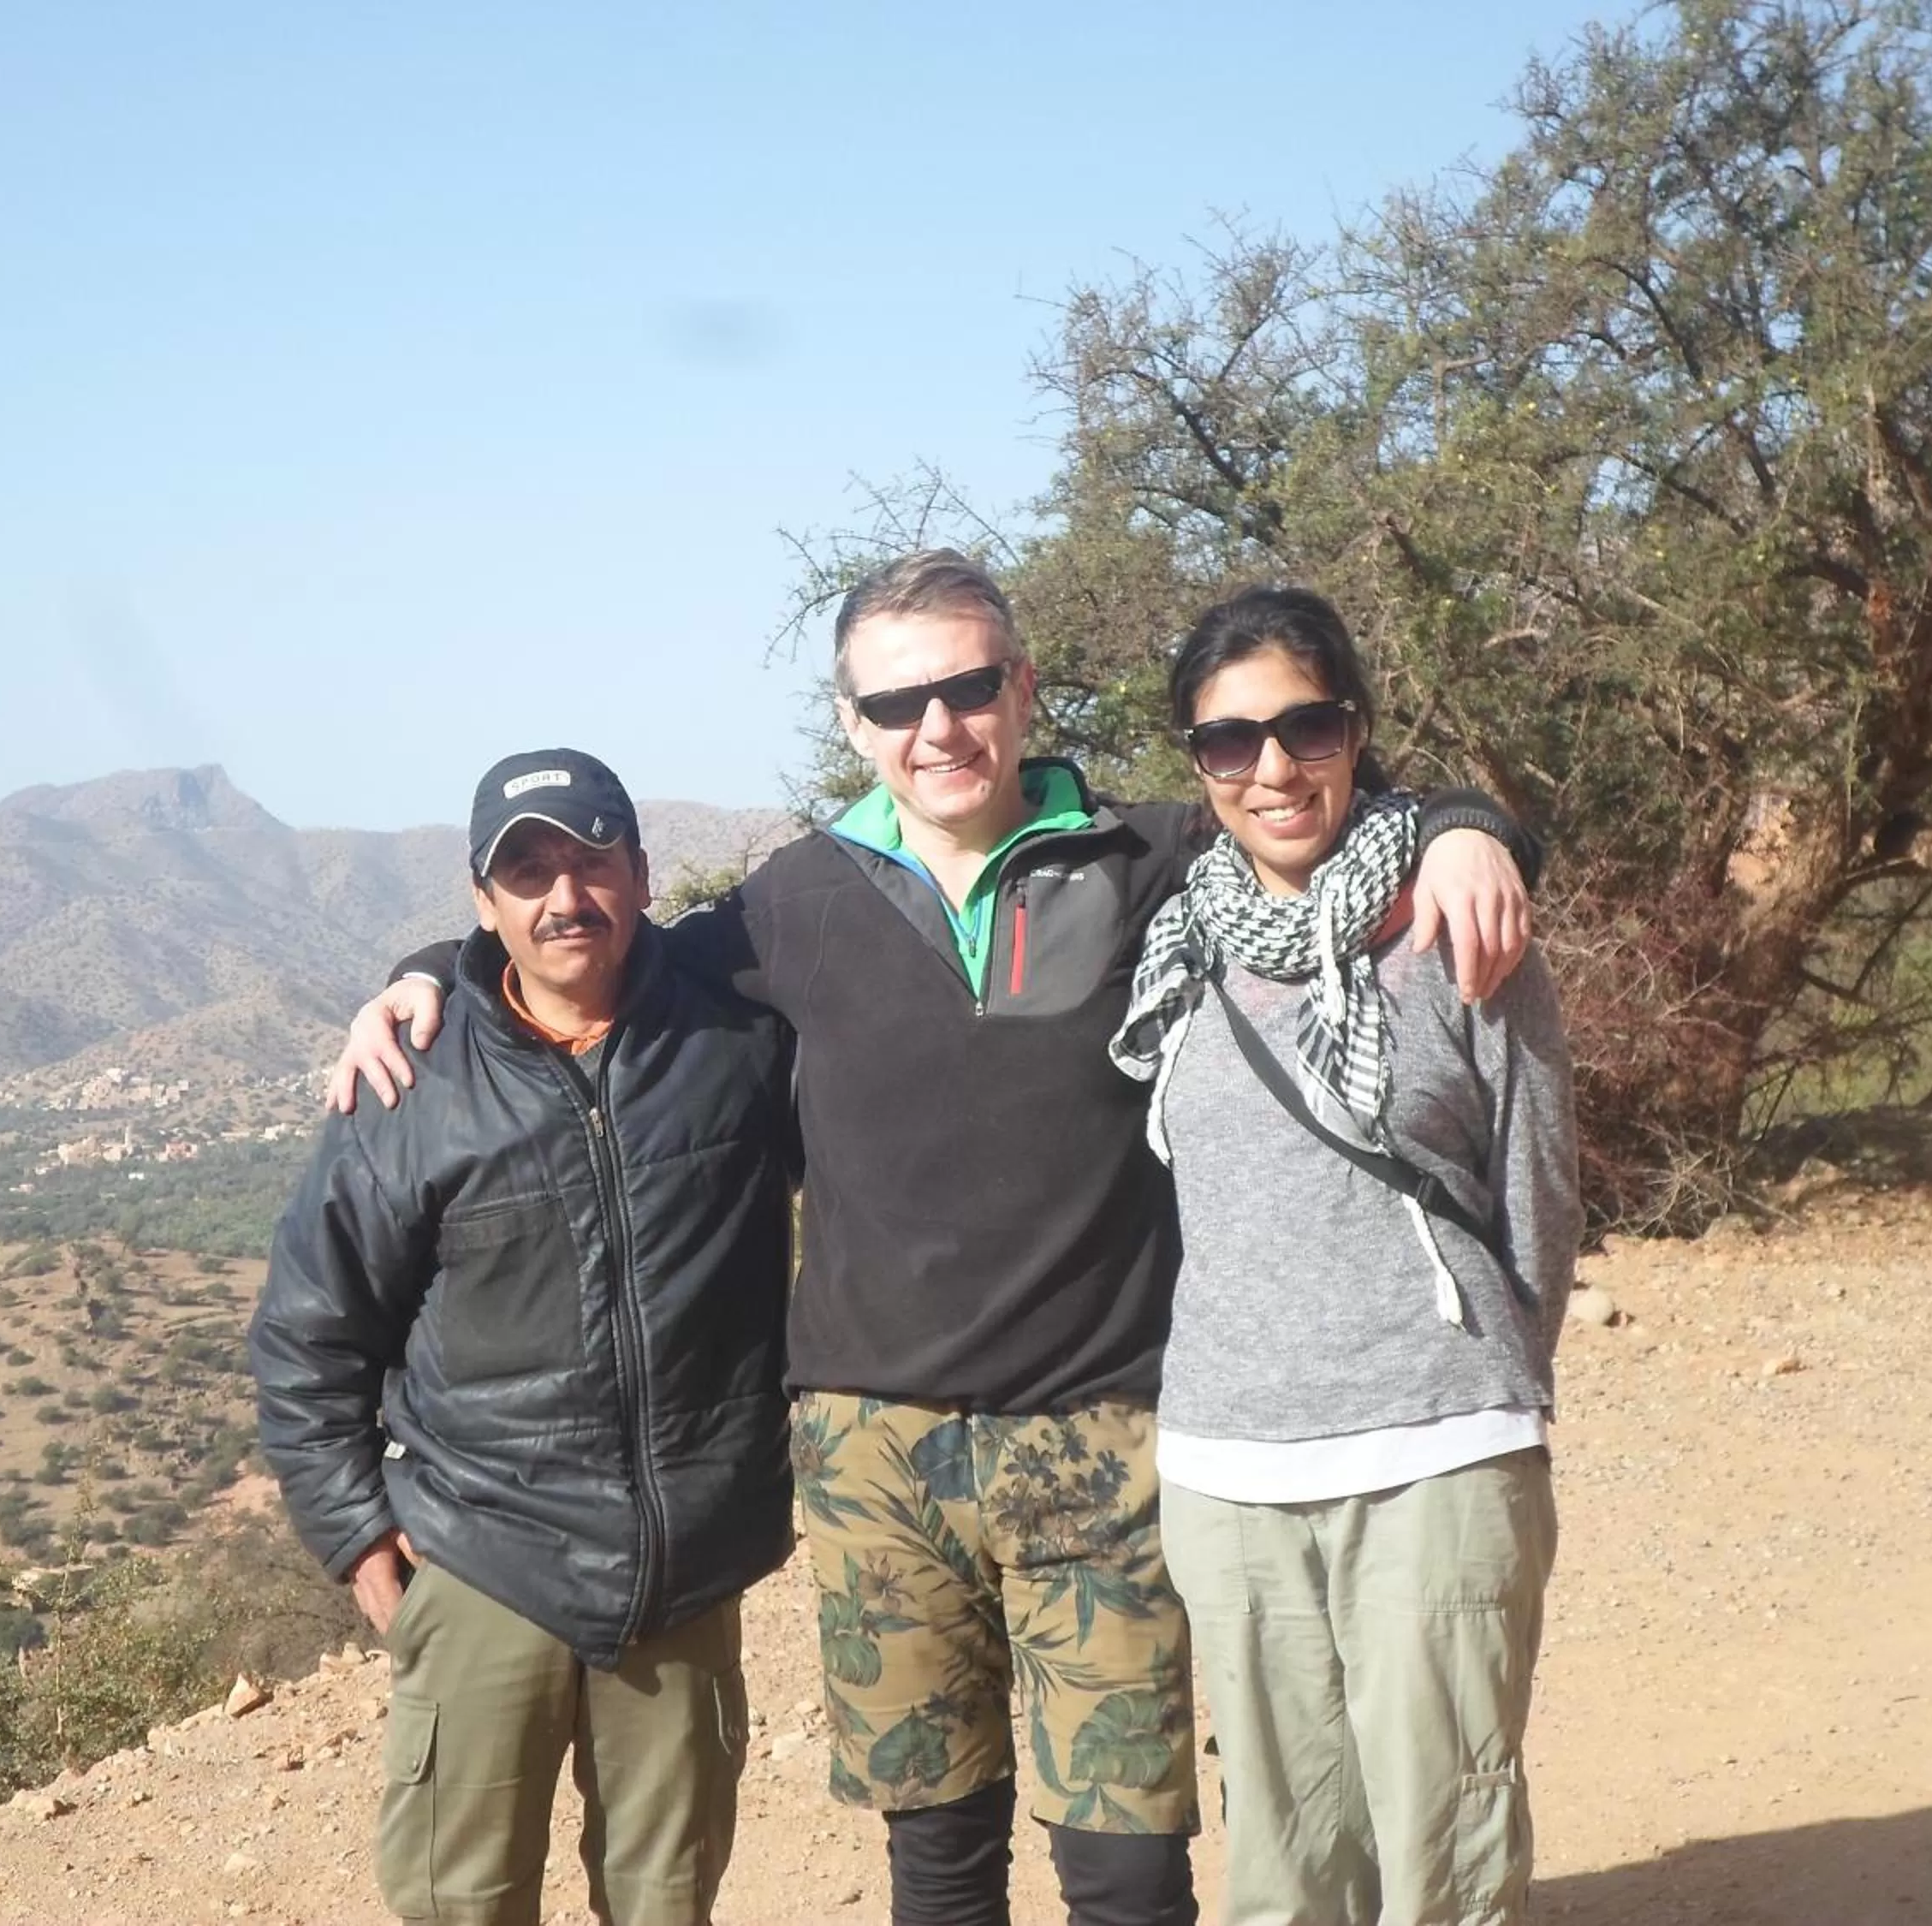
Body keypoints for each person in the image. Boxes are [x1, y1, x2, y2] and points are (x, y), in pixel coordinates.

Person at [331, 551, 1540, 1926]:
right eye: (898, 703)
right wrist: (420, 977)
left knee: (1131, 1863)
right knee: (940, 1852)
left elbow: (1317, 811)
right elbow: (588, 950)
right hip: (874, 1448)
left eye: (969, 687)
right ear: (853, 725)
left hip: (1109, 1430)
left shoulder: (1151, 857)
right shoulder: (799, 900)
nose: (939, 728)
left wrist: (1463, 825)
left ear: (1022, 690)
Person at [250, 748, 799, 1926]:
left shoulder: (737, 1042)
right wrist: (355, 1531)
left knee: (667, 1901)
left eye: (591, 857)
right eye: (528, 869)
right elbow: (309, 1331)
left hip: (686, 1563)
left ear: (641, 872)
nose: (565, 895)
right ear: (482, 899)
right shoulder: (412, 1085)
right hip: (484, 1554)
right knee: (464, 1900)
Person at [1109, 586, 1578, 1926]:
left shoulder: (1457, 928)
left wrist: (1493, 1383)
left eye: (1305, 726)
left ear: (1357, 730)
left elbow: (1536, 1184)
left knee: (1447, 1847)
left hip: (1431, 1447)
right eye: (1229, 740)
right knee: (1285, 1853)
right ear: (1195, 764)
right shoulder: (1177, 947)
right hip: (1229, 1465)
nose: (1272, 766)